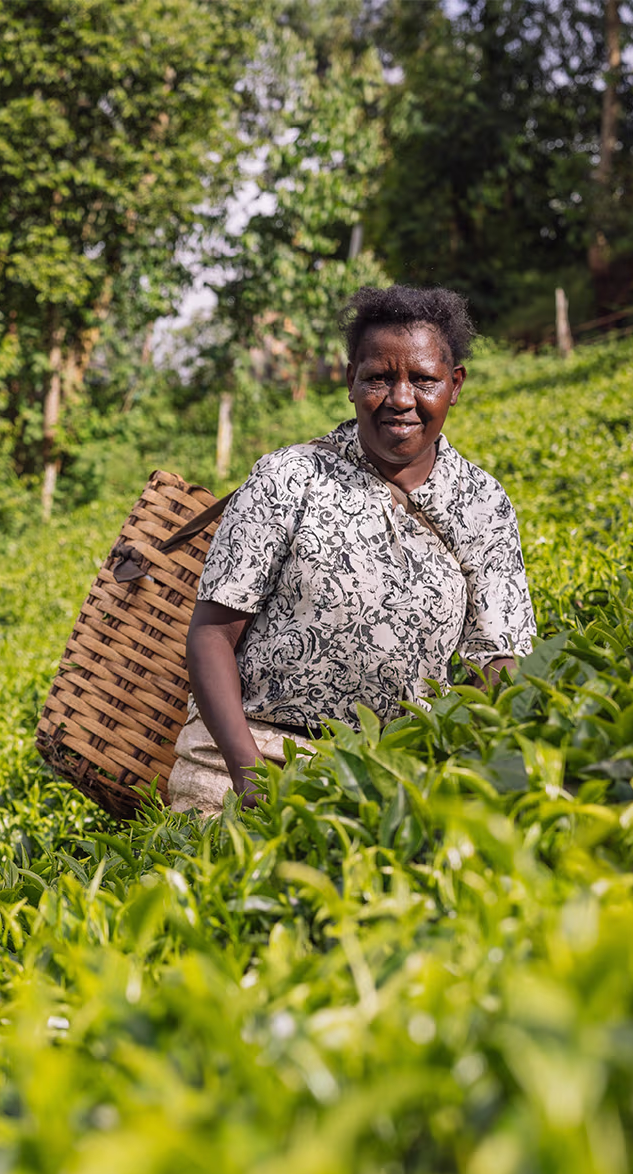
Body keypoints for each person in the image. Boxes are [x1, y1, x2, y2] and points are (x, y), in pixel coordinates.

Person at [171, 284, 536, 814]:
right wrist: (248, 775)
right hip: (242, 759)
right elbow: (210, 634)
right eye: (378, 378)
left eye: (424, 379)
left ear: (454, 385)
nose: (401, 399)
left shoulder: (482, 503)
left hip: (389, 773)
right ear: (350, 381)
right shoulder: (290, 477)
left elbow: (499, 653)